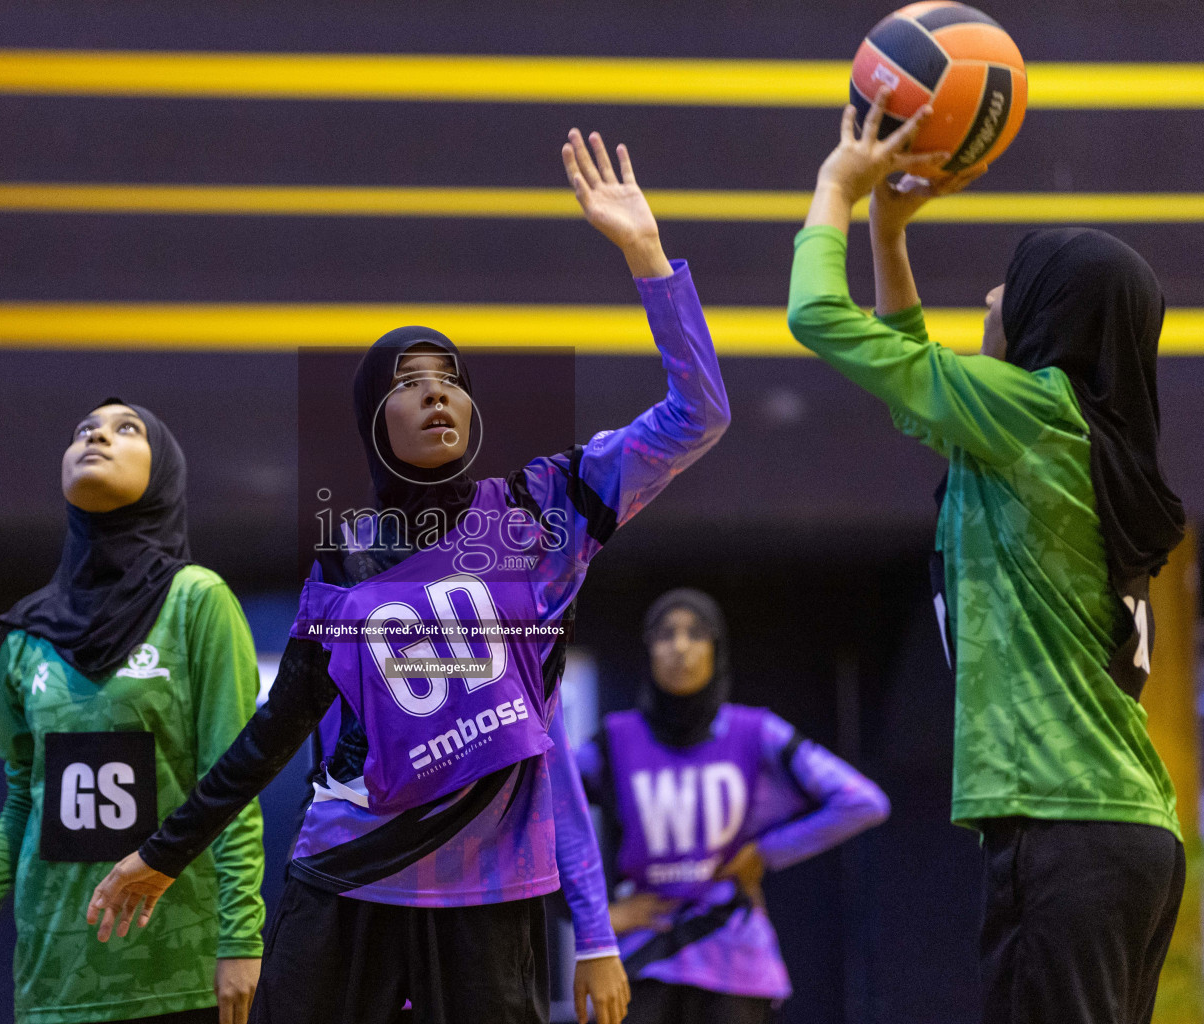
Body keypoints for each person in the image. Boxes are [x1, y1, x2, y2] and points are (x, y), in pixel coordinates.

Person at [81, 129, 731, 1024]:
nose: (435, 393)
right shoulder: (344, 560)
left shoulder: (549, 507)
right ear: (372, 421)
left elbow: (699, 413)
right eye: (407, 381)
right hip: (347, 874)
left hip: (492, 891)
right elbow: (279, 727)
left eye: (450, 379)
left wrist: (646, 254)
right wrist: (166, 849)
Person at [786, 91, 1188, 1024]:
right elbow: (906, 381)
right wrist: (890, 234)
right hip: (1115, 828)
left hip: (1068, 827)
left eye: (1012, 283)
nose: (991, 296)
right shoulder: (1056, 437)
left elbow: (818, 318)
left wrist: (835, 188)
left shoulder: (1033, 411)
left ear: (1056, 316)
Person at [0, 401, 267, 1024]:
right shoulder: (27, 635)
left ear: (163, 475)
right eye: (84, 429)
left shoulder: (198, 602)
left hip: (176, 973)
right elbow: (26, 801)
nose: (98, 433)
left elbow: (233, 784)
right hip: (56, 977)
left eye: (124, 428)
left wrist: (240, 940)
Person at [578, 588, 889, 1024]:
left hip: (735, 957)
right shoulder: (614, 739)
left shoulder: (755, 731)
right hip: (642, 955)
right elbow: (542, 821)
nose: (680, 646)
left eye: (695, 633)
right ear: (648, 648)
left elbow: (864, 802)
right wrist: (599, 917)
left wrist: (766, 852)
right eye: (665, 634)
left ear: (716, 648)